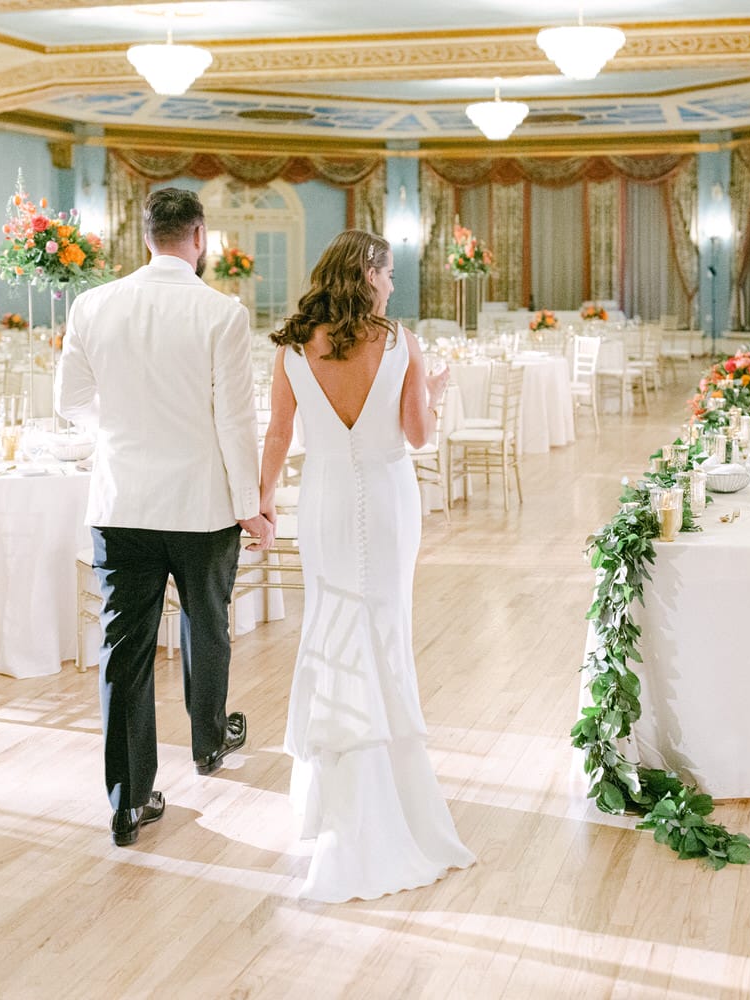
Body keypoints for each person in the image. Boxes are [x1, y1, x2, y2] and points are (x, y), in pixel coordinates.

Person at [55, 187, 275, 848]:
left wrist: (121, 427)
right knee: (209, 626)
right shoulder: (221, 313)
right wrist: (252, 507)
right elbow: (236, 423)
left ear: (144, 236)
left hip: (121, 502)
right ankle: (208, 742)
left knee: (124, 650)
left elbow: (69, 399)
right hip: (202, 505)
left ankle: (127, 802)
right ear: (199, 237)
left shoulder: (93, 304)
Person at [258, 229, 474, 902]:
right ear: (369, 274)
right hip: (385, 501)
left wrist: (260, 505)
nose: (390, 284)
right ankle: (386, 797)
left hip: (321, 502)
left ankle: (334, 795)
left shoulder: (294, 345)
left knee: (329, 628)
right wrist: (431, 390)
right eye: (387, 272)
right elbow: (417, 436)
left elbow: (277, 433)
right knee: (383, 630)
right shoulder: (399, 341)